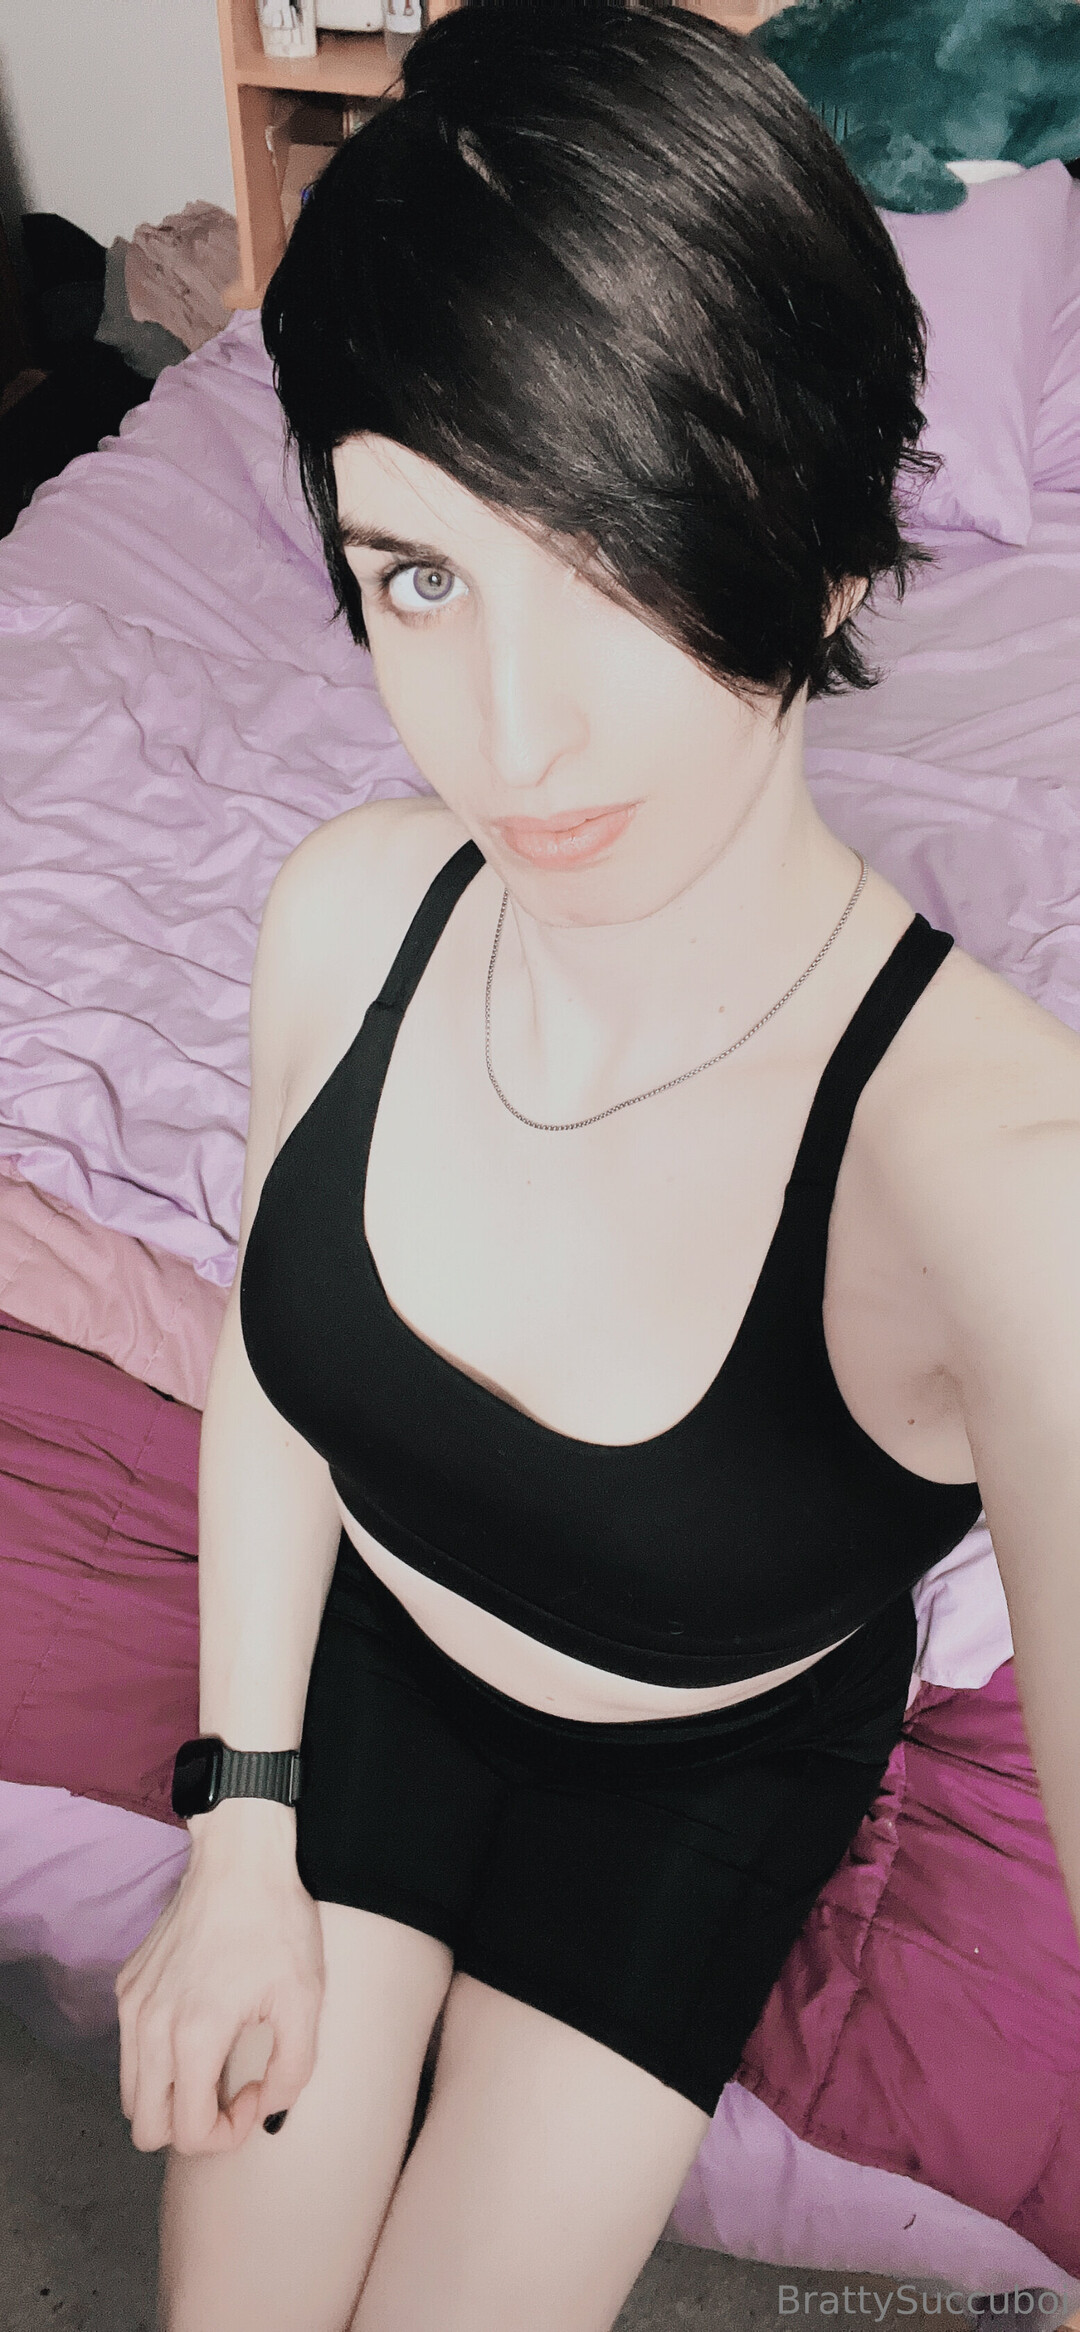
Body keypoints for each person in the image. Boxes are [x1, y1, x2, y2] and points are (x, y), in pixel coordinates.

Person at [114, 6, 1080, 2329]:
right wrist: (241, 1816)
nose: (515, 735)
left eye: (614, 554)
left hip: (696, 1783)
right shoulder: (349, 912)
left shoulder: (996, 1176)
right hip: (371, 1679)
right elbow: (273, 1377)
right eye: (421, 575)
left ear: (831, 550)